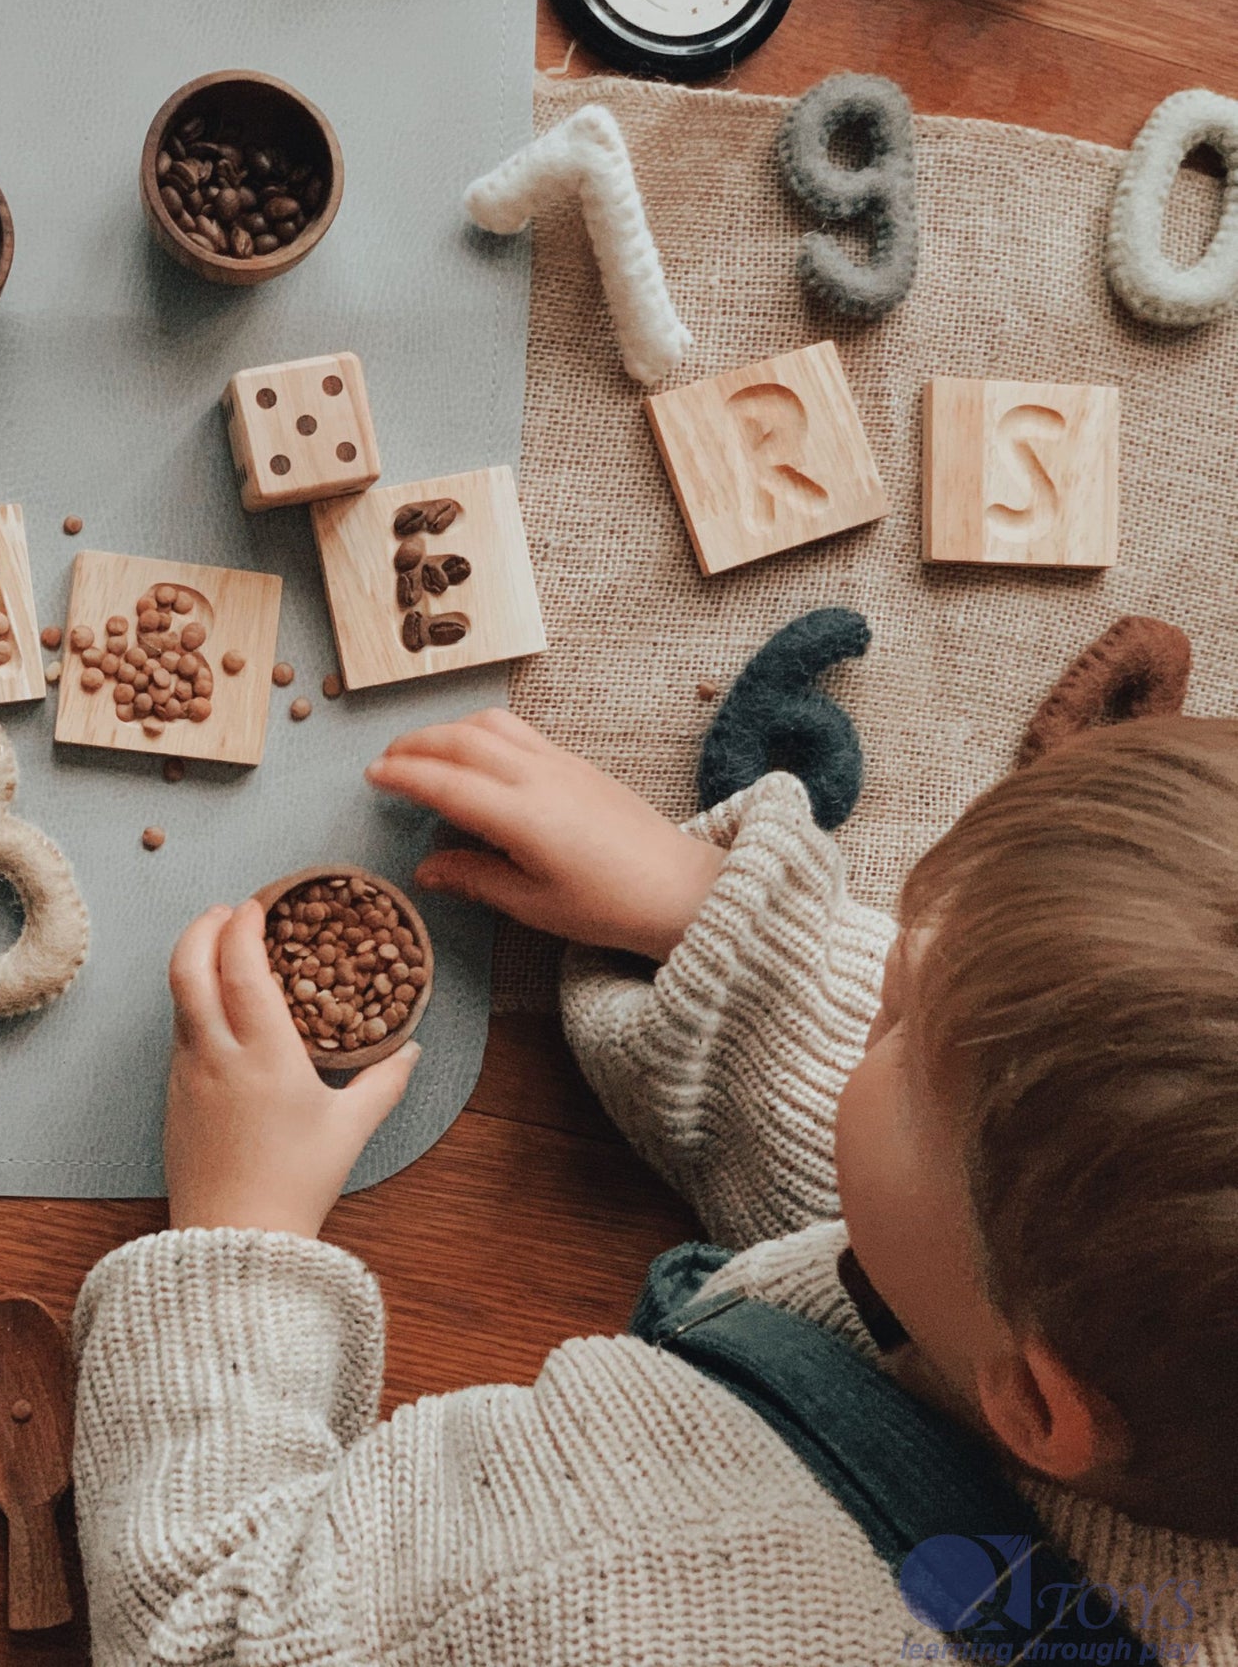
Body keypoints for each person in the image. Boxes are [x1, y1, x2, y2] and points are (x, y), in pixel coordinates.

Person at [72, 708, 1238, 1665]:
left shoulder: (631, 1571)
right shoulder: (1138, 1373)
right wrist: (715, 921)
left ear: (1033, 1407)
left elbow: (205, 1628)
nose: (875, 971)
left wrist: (242, 1237)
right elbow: (953, 1206)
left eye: (888, 1017)